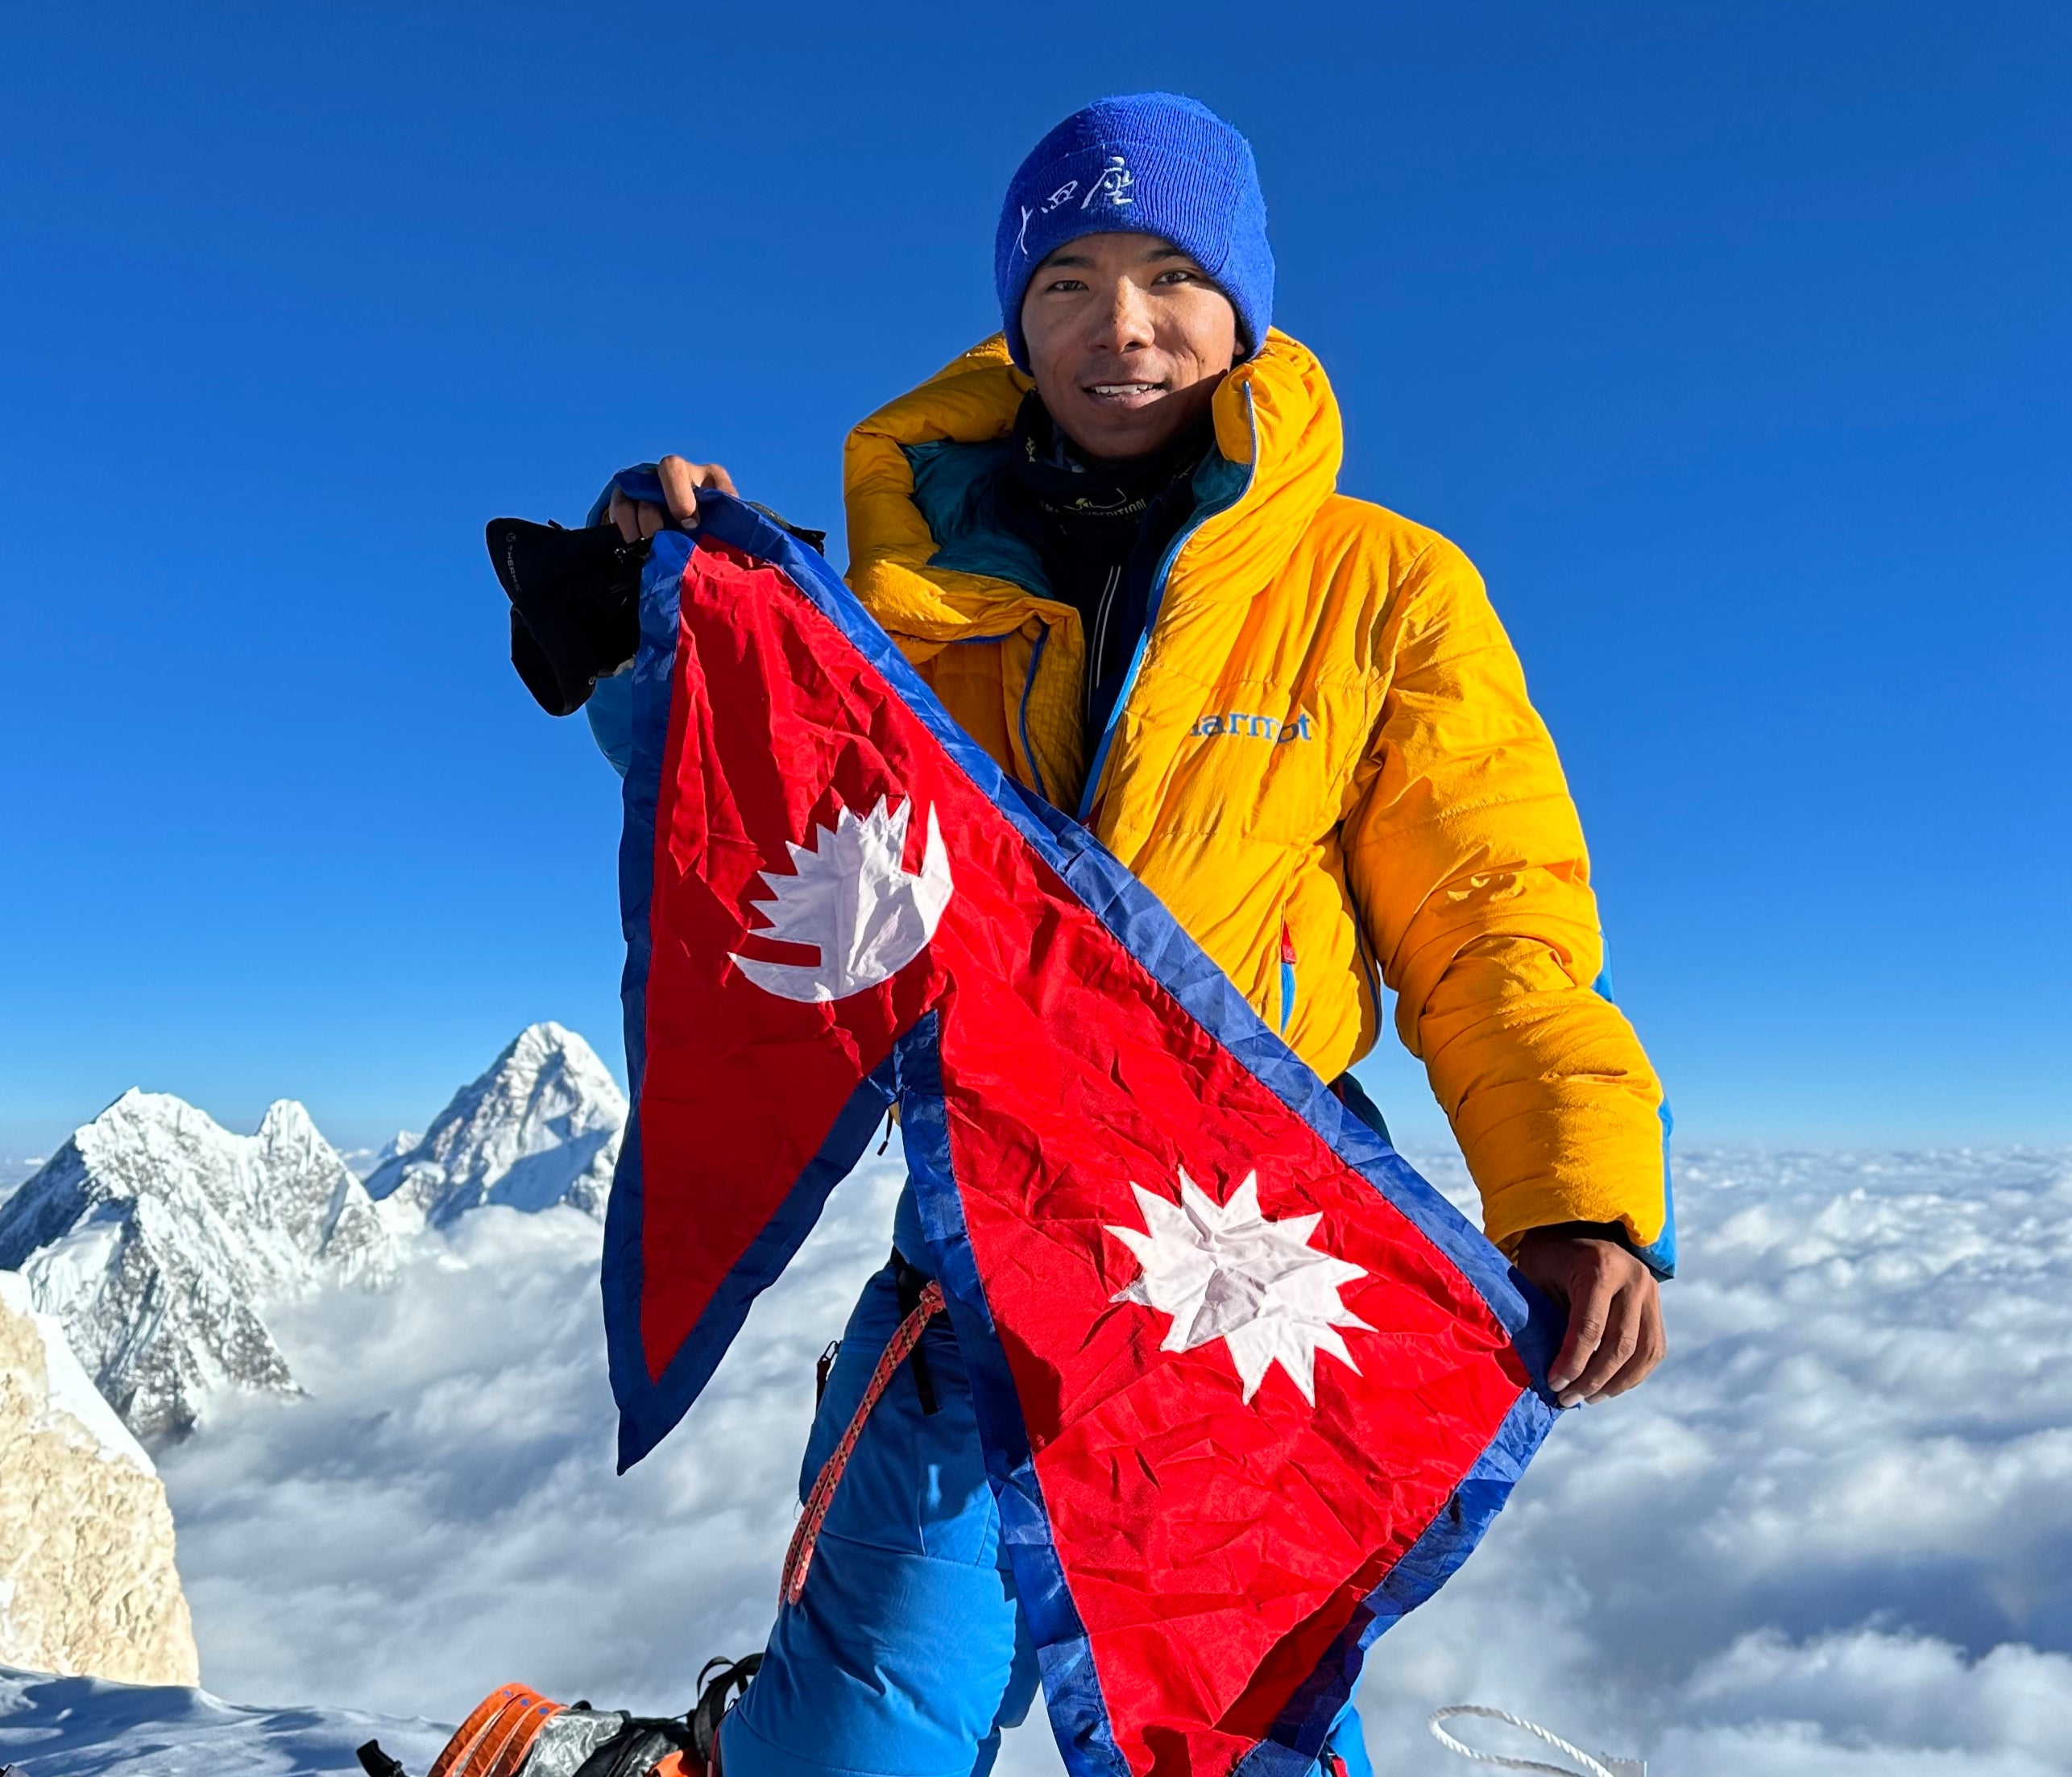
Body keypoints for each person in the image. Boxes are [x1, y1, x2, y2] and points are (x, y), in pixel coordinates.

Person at [586, 93, 1670, 1777]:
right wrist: (651, 618)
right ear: (1016, 318)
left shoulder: (1383, 591)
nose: (1124, 327)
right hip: (983, 1254)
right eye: (1070, 280)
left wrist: (1579, 1186)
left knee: (1233, 1727)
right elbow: (772, 809)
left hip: (1239, 1259)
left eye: (1171, 274)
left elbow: (1490, 917)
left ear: (1243, 308)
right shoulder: (906, 591)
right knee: (850, 1741)